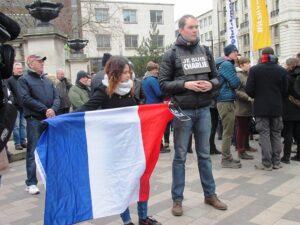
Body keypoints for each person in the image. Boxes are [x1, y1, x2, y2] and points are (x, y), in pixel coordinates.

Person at [76, 56, 161, 225]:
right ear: (114, 74)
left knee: (141, 178)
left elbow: (137, 109)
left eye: (129, 72)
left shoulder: (130, 87)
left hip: (133, 144)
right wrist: (58, 121)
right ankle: (127, 221)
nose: (128, 76)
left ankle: (143, 218)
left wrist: (160, 110)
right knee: (122, 183)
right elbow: (85, 110)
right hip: (114, 146)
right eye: (124, 73)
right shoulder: (103, 91)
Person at [159, 15, 227, 216]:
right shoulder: (171, 54)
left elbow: (217, 78)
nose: (195, 30)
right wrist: (185, 84)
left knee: (205, 155)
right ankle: (177, 200)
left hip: (204, 109)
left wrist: (211, 84)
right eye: (191, 27)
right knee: (179, 156)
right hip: (183, 111)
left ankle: (210, 194)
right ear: (181, 30)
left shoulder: (205, 51)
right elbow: (162, 84)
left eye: (197, 27)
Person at [18, 54, 60, 194]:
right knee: (33, 151)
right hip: (34, 119)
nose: (42, 63)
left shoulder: (48, 81)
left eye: (43, 61)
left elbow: (56, 97)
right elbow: (25, 98)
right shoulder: (24, 80)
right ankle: (31, 183)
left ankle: (51, 179)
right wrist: (44, 109)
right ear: (31, 64)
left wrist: (53, 109)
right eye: (39, 61)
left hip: (49, 119)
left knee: (51, 149)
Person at [246, 47, 288, 170]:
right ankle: (276, 162)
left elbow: (249, 89)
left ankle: (266, 163)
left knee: (264, 134)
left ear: (262, 55)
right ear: (273, 55)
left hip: (261, 107)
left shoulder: (255, 69)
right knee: (276, 134)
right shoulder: (281, 70)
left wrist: (256, 96)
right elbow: (286, 90)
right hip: (277, 107)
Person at [215, 44, 241, 169]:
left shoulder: (223, 64)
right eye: (235, 51)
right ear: (229, 52)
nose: (237, 54)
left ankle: (228, 157)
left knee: (228, 130)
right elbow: (235, 83)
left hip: (224, 99)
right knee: (228, 131)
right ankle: (226, 159)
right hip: (225, 100)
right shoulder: (227, 65)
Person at [142, 61, 169, 153]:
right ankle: (159, 147)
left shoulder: (144, 79)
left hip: (147, 106)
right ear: (152, 69)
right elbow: (159, 93)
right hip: (155, 107)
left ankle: (154, 147)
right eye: (156, 69)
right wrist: (168, 91)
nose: (157, 71)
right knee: (157, 129)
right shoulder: (152, 79)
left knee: (151, 129)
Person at [281, 58, 300, 163]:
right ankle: (299, 155)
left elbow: (284, 91)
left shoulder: (287, 76)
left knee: (288, 134)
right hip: (298, 107)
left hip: (288, 108)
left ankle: (286, 157)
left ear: (289, 65)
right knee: (298, 133)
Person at [234, 57, 254, 160]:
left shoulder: (248, 75)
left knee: (247, 129)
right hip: (241, 108)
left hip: (249, 108)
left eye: (249, 63)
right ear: (241, 65)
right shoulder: (238, 76)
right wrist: (248, 97)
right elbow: (236, 91)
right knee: (241, 130)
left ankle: (246, 146)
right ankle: (241, 151)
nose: (249, 65)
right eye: (247, 63)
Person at [7, 62, 27, 150]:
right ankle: (17, 143)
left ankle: (23, 142)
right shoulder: (9, 80)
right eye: (18, 68)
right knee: (16, 126)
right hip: (15, 107)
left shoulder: (24, 79)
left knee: (23, 125)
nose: (20, 70)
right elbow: (9, 93)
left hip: (24, 106)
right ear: (13, 70)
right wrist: (13, 101)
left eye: (21, 68)